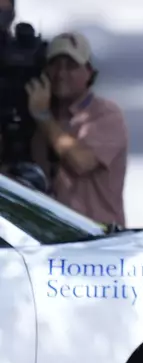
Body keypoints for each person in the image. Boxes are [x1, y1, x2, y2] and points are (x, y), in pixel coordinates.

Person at [25, 31, 129, 226]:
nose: (61, 74)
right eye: (55, 65)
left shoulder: (106, 114)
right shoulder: (37, 110)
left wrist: (43, 117)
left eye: (71, 66)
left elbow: (82, 162)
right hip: (48, 234)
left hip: (97, 237)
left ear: (89, 72)